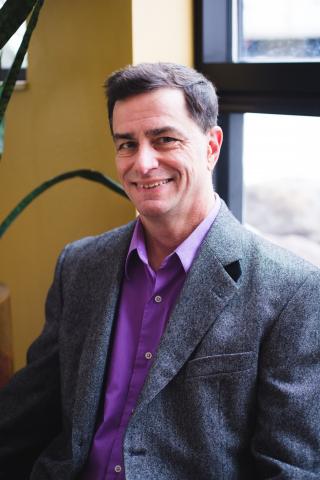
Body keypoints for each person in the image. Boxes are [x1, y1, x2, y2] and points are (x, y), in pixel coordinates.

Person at [0, 62, 319, 480]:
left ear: (211, 146)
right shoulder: (79, 266)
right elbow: (25, 415)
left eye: (164, 139)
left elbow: (289, 469)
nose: (143, 163)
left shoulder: (292, 292)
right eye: (126, 144)